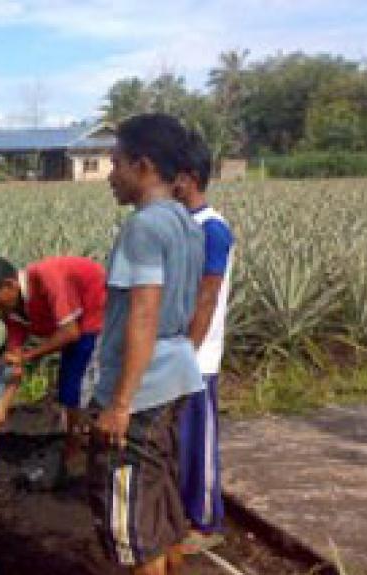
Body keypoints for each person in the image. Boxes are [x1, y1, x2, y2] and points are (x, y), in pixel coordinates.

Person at [89, 113, 204, 575]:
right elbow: (194, 303)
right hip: (173, 376)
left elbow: (143, 313)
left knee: (132, 519)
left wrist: (119, 403)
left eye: (116, 163)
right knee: (160, 503)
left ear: (144, 165)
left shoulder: (143, 227)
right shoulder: (187, 223)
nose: (110, 175)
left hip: (141, 391)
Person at [0, 255, 106, 459]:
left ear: (10, 285)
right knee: (69, 388)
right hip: (76, 325)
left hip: (97, 311)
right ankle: (74, 442)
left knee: (78, 385)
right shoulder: (10, 311)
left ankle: (79, 446)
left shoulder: (47, 278)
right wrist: (0, 409)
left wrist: (28, 356)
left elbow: (70, 332)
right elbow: (13, 364)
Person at [173, 130, 235, 552]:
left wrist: (186, 352)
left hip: (198, 355)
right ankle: (185, 512)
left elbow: (207, 296)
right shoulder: (183, 225)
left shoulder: (212, 229)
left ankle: (207, 523)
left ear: (190, 177)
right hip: (179, 354)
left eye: (171, 174)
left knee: (200, 439)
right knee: (182, 439)